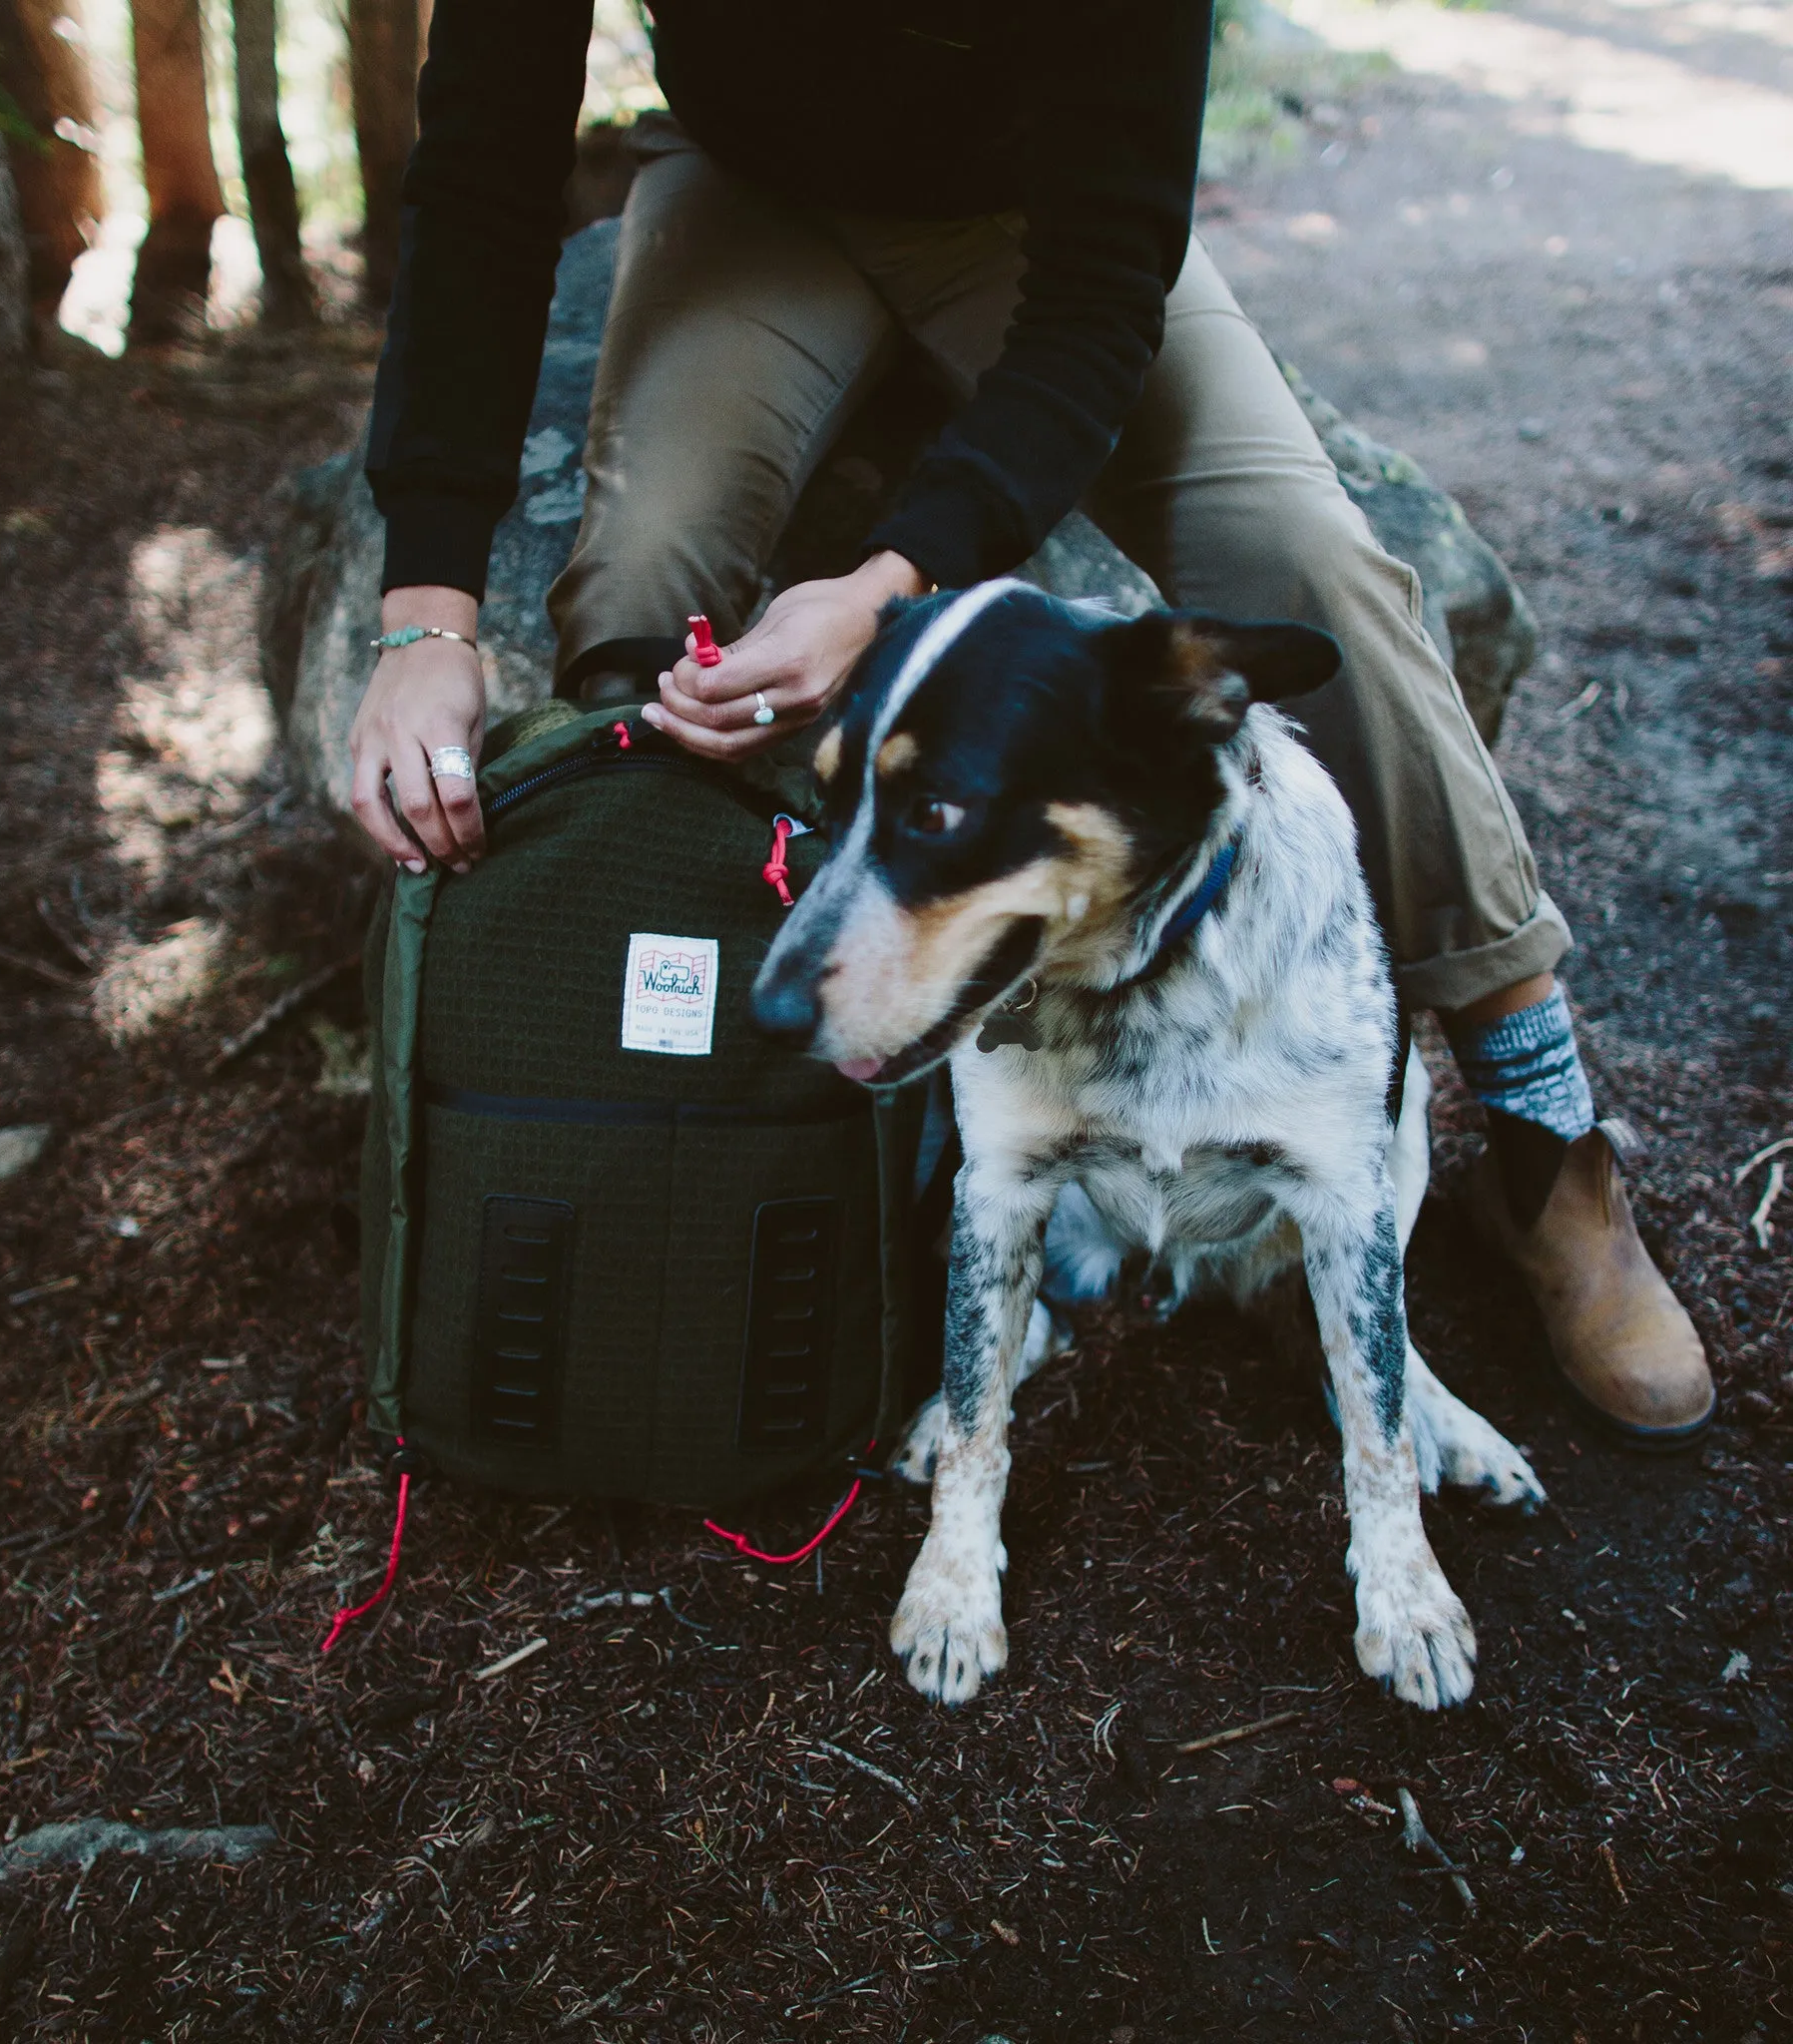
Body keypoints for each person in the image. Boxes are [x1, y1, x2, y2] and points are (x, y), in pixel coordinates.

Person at [346, 0, 1712, 1446]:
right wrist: (425, 617)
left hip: (1031, 230)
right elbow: (482, 173)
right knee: (634, 592)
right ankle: (715, 1137)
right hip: (746, 201)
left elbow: (1104, 293)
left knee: (1315, 564)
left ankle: (1548, 1151)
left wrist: (889, 587)